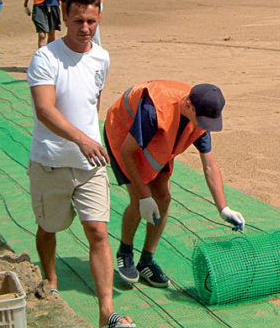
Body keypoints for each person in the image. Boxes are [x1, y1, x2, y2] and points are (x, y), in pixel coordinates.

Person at [27, 0, 134, 328]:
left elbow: (93, 102)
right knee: (49, 228)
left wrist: (92, 142)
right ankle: (50, 280)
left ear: (99, 18)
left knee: (98, 231)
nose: (84, 27)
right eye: (77, 21)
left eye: (91, 20)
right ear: (65, 18)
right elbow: (45, 109)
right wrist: (83, 139)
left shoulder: (101, 57)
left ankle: (107, 312)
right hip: (50, 162)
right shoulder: (45, 57)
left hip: (90, 166)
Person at [104, 81, 245, 288]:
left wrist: (223, 208)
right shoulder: (154, 110)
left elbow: (209, 165)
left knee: (163, 197)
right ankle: (125, 252)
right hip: (124, 132)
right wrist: (144, 196)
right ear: (188, 105)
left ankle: (146, 261)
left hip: (160, 138)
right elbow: (127, 153)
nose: (205, 126)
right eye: (203, 120)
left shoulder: (201, 114)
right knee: (137, 199)